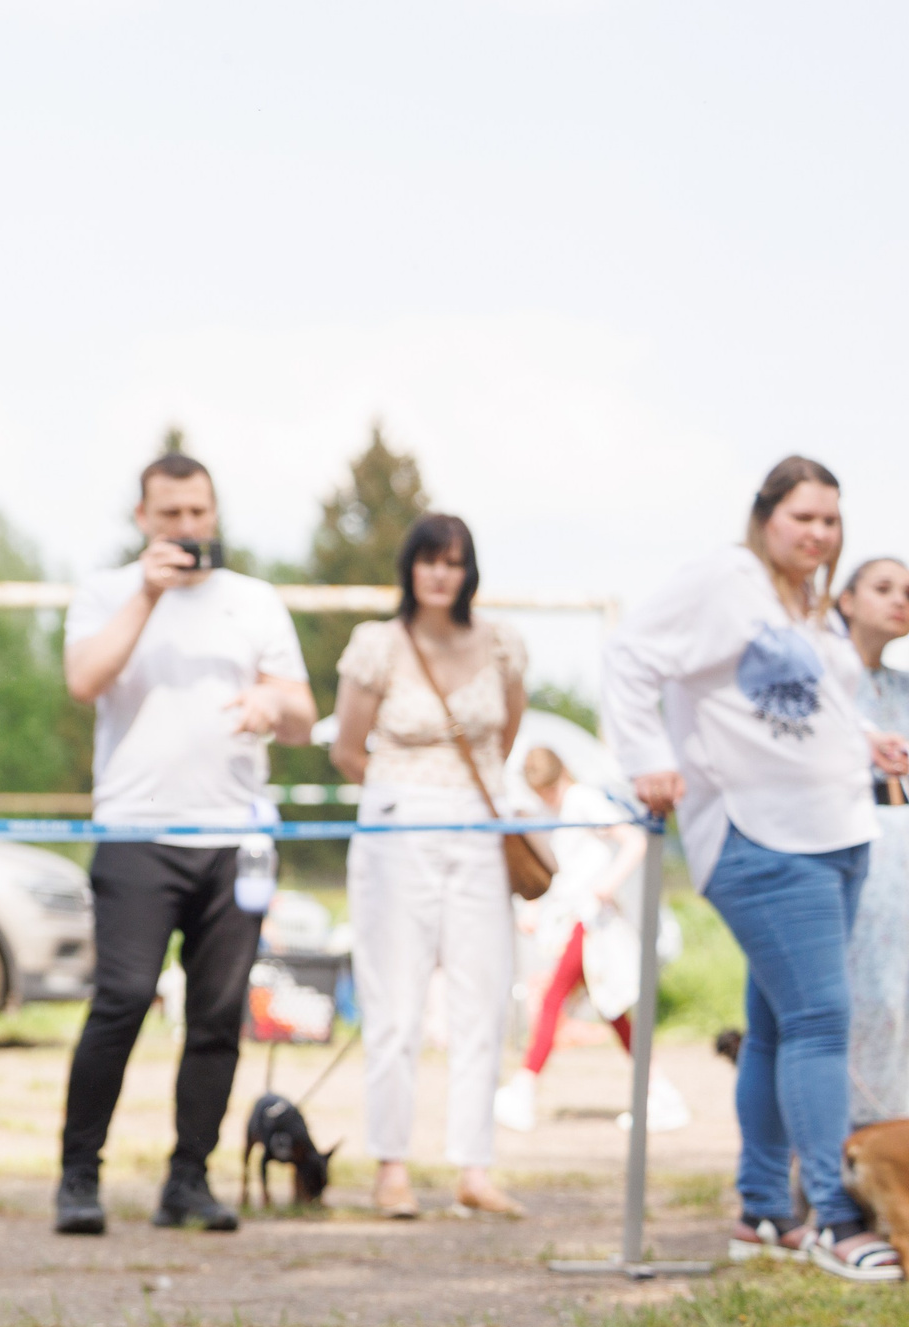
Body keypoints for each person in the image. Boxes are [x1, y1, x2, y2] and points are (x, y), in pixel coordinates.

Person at [604, 456, 909, 1283]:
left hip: (838, 831)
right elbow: (629, 656)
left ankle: (764, 1212)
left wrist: (867, 744)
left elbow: (812, 708)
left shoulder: (805, 603)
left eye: (831, 520)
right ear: (765, 515)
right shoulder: (725, 581)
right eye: (803, 517)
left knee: (776, 1029)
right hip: (761, 837)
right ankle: (835, 1220)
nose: (819, 533)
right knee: (821, 1020)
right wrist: (648, 756)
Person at [56, 453, 314, 1235]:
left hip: (236, 836)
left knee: (218, 1015)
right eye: (171, 514)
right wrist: (147, 593)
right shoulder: (106, 592)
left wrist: (271, 703)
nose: (188, 527)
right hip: (136, 830)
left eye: (199, 512)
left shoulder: (254, 600)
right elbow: (84, 680)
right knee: (123, 1000)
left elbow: (303, 716)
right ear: (143, 518)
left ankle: (188, 1181)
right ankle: (79, 1177)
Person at [330, 515, 530, 1219]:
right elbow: (348, 748)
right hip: (397, 825)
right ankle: (391, 1166)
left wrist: (460, 794)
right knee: (394, 999)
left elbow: (505, 735)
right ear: (410, 567)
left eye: (454, 562)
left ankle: (475, 1166)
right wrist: (405, 795)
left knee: (484, 996)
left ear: (469, 571)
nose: (441, 574)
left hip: (478, 824)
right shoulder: (377, 645)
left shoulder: (501, 643)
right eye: (429, 560)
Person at [491, 747, 690, 1135]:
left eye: (549, 790)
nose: (547, 798)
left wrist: (606, 885)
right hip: (577, 918)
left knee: (553, 1000)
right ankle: (660, 1092)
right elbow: (567, 870)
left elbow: (634, 841)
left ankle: (524, 1087)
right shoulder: (559, 809)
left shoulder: (583, 799)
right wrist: (538, 907)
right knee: (611, 1010)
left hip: (592, 921)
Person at [837, 555, 909, 1127]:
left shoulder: (902, 689)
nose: (898, 600)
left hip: (899, 857)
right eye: (883, 588)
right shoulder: (825, 684)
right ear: (847, 600)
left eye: (906, 591)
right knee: (852, 996)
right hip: (843, 847)